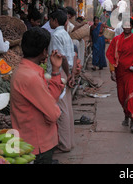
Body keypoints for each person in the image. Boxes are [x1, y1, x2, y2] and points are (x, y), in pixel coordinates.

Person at [10, 27, 65, 164]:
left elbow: (50, 98)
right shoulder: (31, 77)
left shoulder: (25, 71)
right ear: (44, 51)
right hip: (37, 144)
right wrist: (54, 110)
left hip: (33, 140)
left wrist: (56, 70)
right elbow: (53, 113)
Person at [47, 10, 78, 153]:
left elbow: (62, 58)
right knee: (67, 108)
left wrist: (67, 73)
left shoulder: (56, 35)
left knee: (61, 109)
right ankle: (69, 141)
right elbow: (73, 55)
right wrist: (72, 74)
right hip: (67, 72)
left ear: (54, 20)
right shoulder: (65, 34)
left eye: (50, 20)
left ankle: (64, 144)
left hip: (59, 74)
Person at [106, 18, 133, 132]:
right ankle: (126, 115)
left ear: (132, 27)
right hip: (120, 73)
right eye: (125, 25)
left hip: (132, 73)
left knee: (131, 95)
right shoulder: (116, 40)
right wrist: (112, 71)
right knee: (122, 97)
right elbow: (111, 55)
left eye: (129, 26)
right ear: (122, 27)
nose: (127, 27)